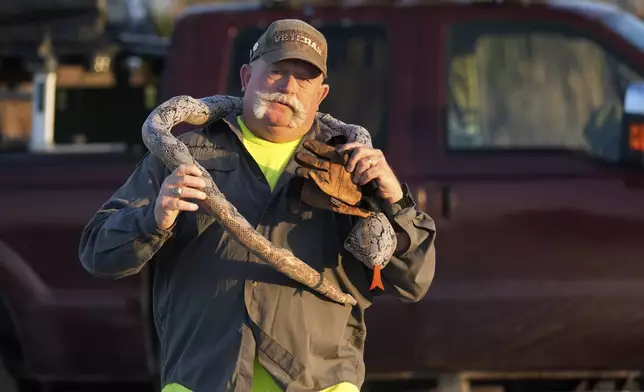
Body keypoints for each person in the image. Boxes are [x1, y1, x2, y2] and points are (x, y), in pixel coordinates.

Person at [78, 19, 436, 392]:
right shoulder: (182, 156)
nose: (287, 87)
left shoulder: (352, 166)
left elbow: (412, 282)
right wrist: (153, 219)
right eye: (277, 71)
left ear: (322, 94)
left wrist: (396, 203)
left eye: (304, 79)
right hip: (202, 383)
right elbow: (97, 253)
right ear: (247, 76)